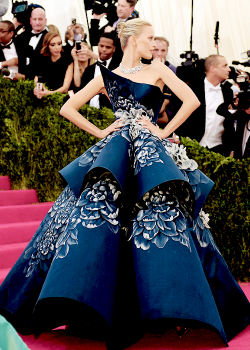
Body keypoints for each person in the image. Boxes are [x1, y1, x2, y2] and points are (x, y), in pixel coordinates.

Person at [0, 18, 249, 350]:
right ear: (133, 41)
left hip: (148, 154)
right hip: (116, 151)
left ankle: (172, 305)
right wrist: (103, 132)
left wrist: (160, 132)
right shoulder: (105, 74)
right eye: (149, 38)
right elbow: (67, 107)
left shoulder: (158, 68)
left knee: (161, 222)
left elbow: (191, 101)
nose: (154, 43)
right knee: (94, 224)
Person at [176, 55, 239, 156]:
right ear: (213, 68)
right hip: (192, 146)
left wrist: (231, 149)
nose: (228, 69)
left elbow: (230, 122)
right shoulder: (194, 89)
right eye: (225, 66)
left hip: (220, 150)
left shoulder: (228, 91)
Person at [79, 32, 119, 108]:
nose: (104, 49)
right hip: (88, 113)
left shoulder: (118, 68)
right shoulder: (89, 70)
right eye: (101, 46)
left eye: (108, 47)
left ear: (114, 49)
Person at [33, 32, 73, 99]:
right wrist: (37, 89)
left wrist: (49, 93)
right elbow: (37, 78)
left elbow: (65, 87)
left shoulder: (68, 60)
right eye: (52, 45)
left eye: (59, 44)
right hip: (44, 97)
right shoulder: (42, 60)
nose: (57, 48)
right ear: (47, 46)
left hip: (62, 98)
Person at [17, 6, 49, 79]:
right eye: (35, 19)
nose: (37, 22)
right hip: (21, 82)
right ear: (30, 20)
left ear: (45, 21)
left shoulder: (50, 38)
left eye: (40, 19)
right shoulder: (21, 37)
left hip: (42, 80)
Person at [152, 36, 177, 124]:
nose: (159, 54)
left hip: (169, 114)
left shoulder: (174, 70)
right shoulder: (144, 67)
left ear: (167, 52)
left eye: (163, 50)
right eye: (156, 50)